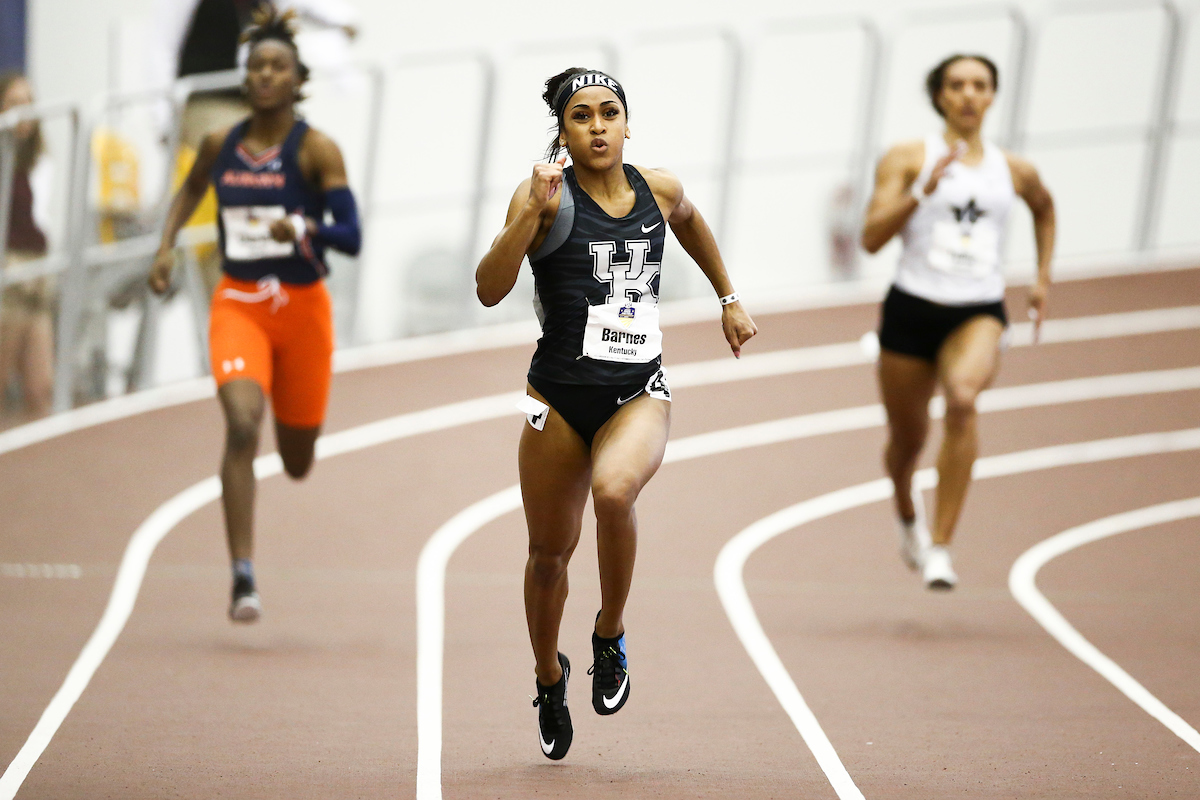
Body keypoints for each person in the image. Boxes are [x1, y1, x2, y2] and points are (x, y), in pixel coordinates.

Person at [475, 67, 757, 760]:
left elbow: (691, 223)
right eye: (581, 116)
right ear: (563, 132)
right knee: (547, 556)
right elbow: (488, 288)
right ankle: (548, 677)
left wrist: (728, 297)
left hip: (637, 390)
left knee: (615, 490)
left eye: (609, 113)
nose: (597, 126)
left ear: (628, 124)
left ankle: (609, 634)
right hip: (557, 397)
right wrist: (531, 217)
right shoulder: (542, 195)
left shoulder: (658, 189)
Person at [148, 6, 361, 622]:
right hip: (239, 304)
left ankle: (291, 444)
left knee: (296, 460)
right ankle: (243, 574)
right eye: (256, 66)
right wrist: (165, 248)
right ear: (245, 77)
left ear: (297, 79)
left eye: (277, 67)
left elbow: (350, 235)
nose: (266, 76)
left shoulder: (317, 151)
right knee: (242, 423)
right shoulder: (221, 143)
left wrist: (297, 225)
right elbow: (189, 190)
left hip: (301, 312)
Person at [860, 54, 1055, 590]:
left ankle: (941, 546)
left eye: (980, 85)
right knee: (906, 442)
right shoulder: (908, 157)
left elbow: (1044, 207)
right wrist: (922, 190)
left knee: (963, 400)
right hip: (911, 309)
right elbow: (871, 237)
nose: (969, 94)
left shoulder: (1013, 169)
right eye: (957, 85)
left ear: (992, 96)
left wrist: (1040, 276)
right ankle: (906, 510)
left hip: (978, 310)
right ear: (940, 96)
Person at [0, 71, 54, 423]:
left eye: (29, 103)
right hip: (8, 273)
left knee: (42, 386)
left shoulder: (41, 160)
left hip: (39, 270)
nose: (25, 113)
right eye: (15, 103)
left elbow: (45, 221)